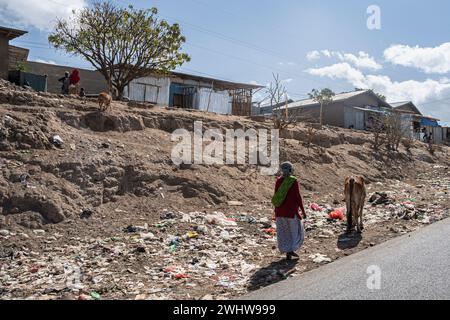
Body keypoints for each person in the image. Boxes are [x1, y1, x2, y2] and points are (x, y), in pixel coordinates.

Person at [271, 162, 307, 260]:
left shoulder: (278, 181)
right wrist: (303, 211)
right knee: (296, 232)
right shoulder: (293, 181)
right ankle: (291, 250)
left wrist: (275, 211)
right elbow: (298, 197)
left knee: (284, 233)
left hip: (280, 213)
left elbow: (276, 197)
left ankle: (287, 251)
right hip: (291, 213)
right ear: (291, 170)